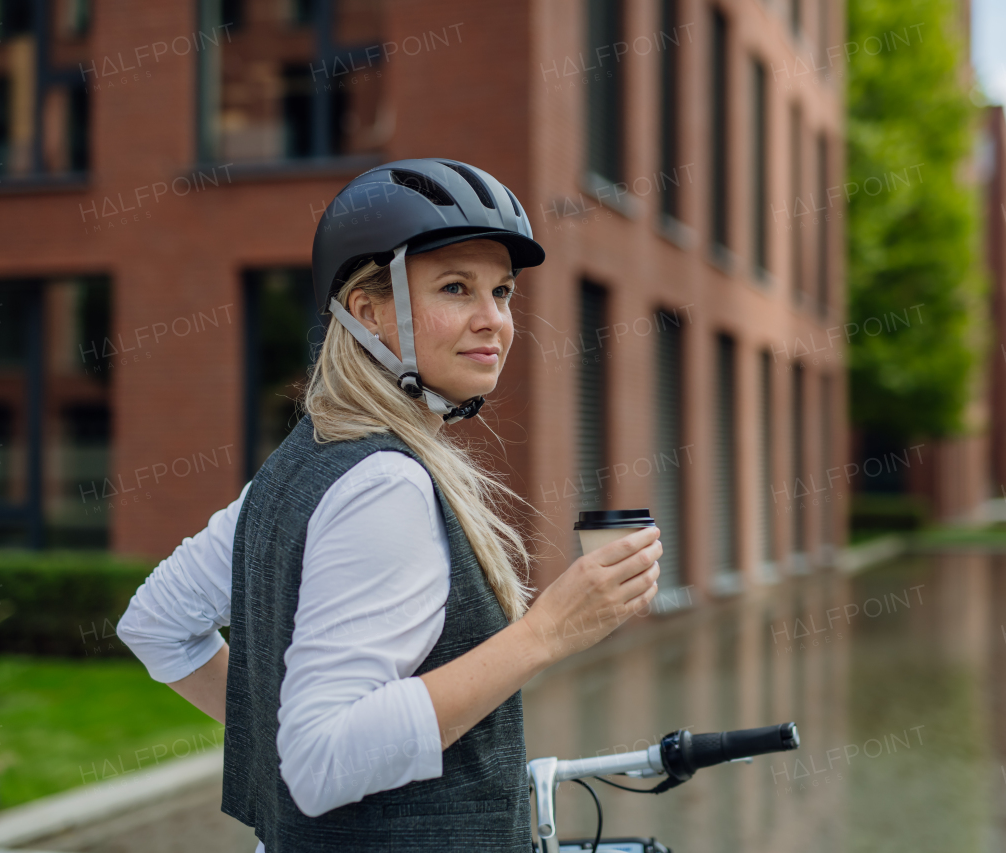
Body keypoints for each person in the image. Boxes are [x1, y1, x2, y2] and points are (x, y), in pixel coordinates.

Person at [117, 158, 662, 851]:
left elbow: (156, 622)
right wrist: (546, 632)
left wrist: (280, 738)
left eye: (503, 291)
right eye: (456, 287)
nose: (493, 319)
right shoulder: (385, 485)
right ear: (367, 311)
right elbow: (317, 763)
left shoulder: (310, 455)